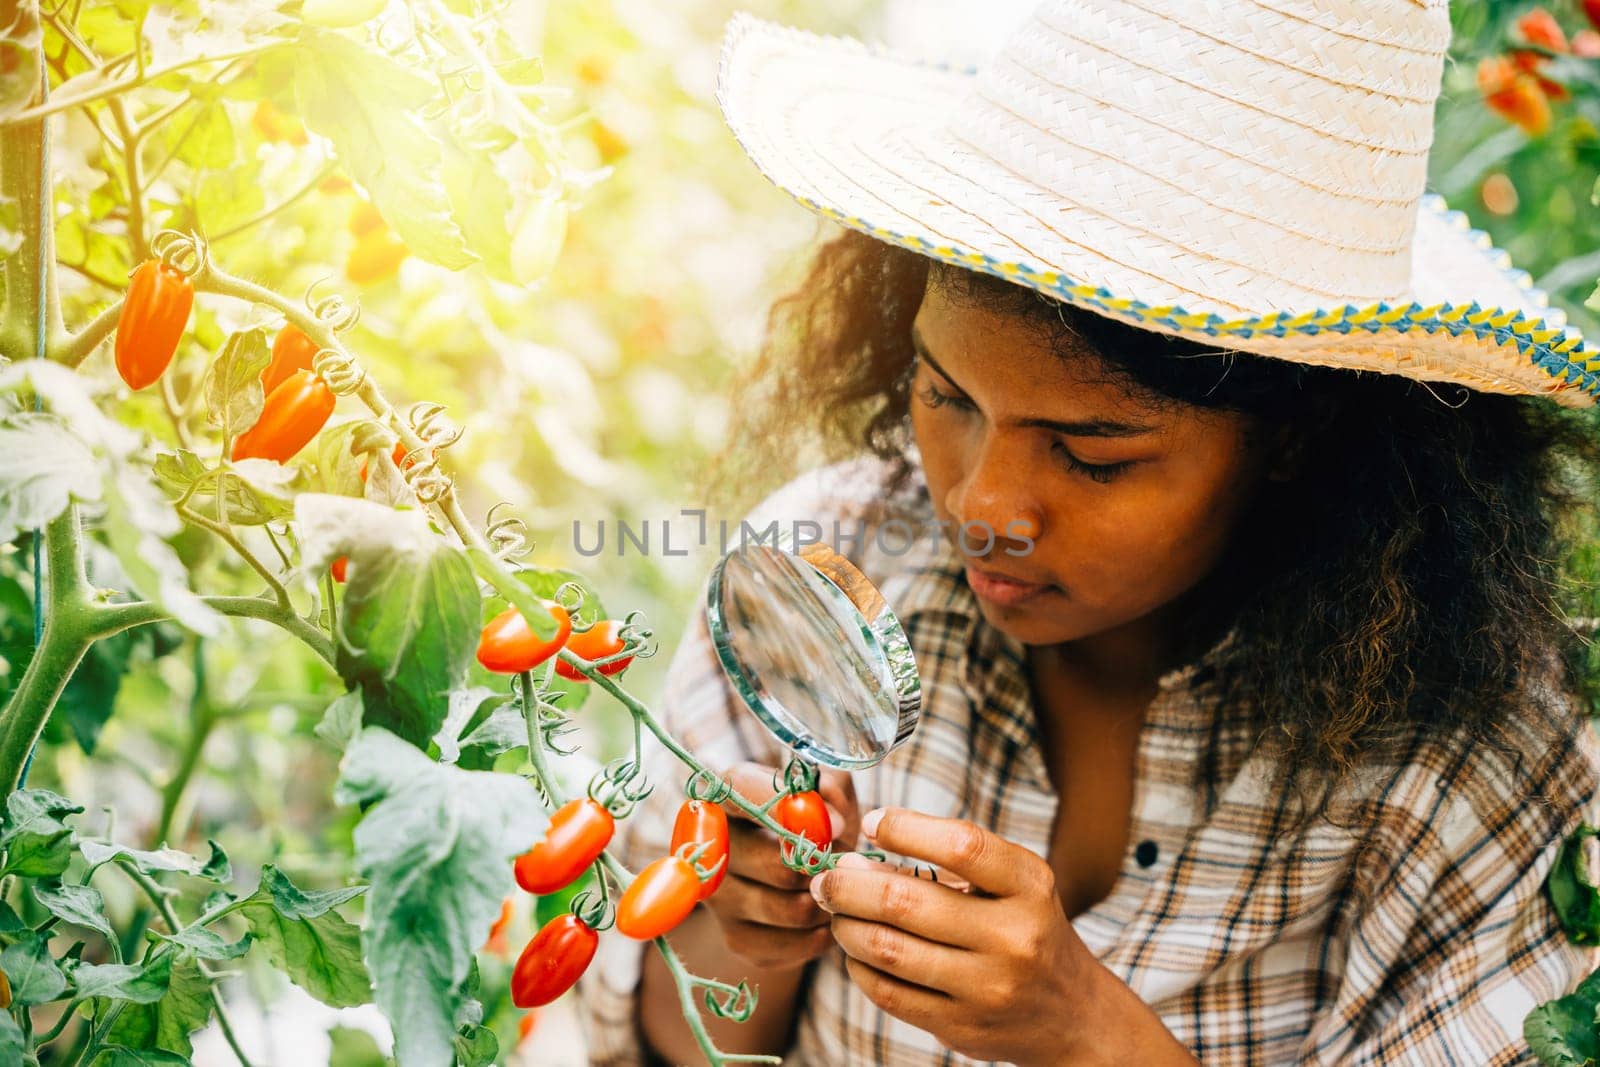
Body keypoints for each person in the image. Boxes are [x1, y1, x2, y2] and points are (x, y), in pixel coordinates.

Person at [580, 1, 1600, 1063]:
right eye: (945, 396)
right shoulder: (825, 574)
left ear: (1298, 434)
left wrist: (1085, 1031)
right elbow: (671, 1042)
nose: (981, 506)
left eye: (1091, 454)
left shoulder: (1469, 764)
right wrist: (741, 932)